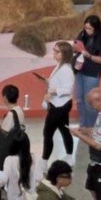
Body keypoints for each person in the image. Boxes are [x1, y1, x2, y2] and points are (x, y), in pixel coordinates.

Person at [41, 41, 76, 173]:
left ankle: (44, 161)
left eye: (57, 51)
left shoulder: (66, 70)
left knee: (48, 132)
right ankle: (69, 156)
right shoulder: (60, 67)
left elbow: (68, 89)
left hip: (60, 105)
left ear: (64, 54)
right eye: (54, 50)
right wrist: (48, 83)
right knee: (64, 129)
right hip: (59, 104)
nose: (54, 53)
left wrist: (52, 91)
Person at [74, 15, 101, 130]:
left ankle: (93, 126)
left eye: (89, 29)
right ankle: (83, 125)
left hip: (92, 74)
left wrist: (89, 56)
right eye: (85, 28)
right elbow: (75, 45)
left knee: (89, 101)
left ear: (96, 28)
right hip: (79, 71)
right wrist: (76, 47)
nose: (87, 30)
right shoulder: (82, 34)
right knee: (79, 99)